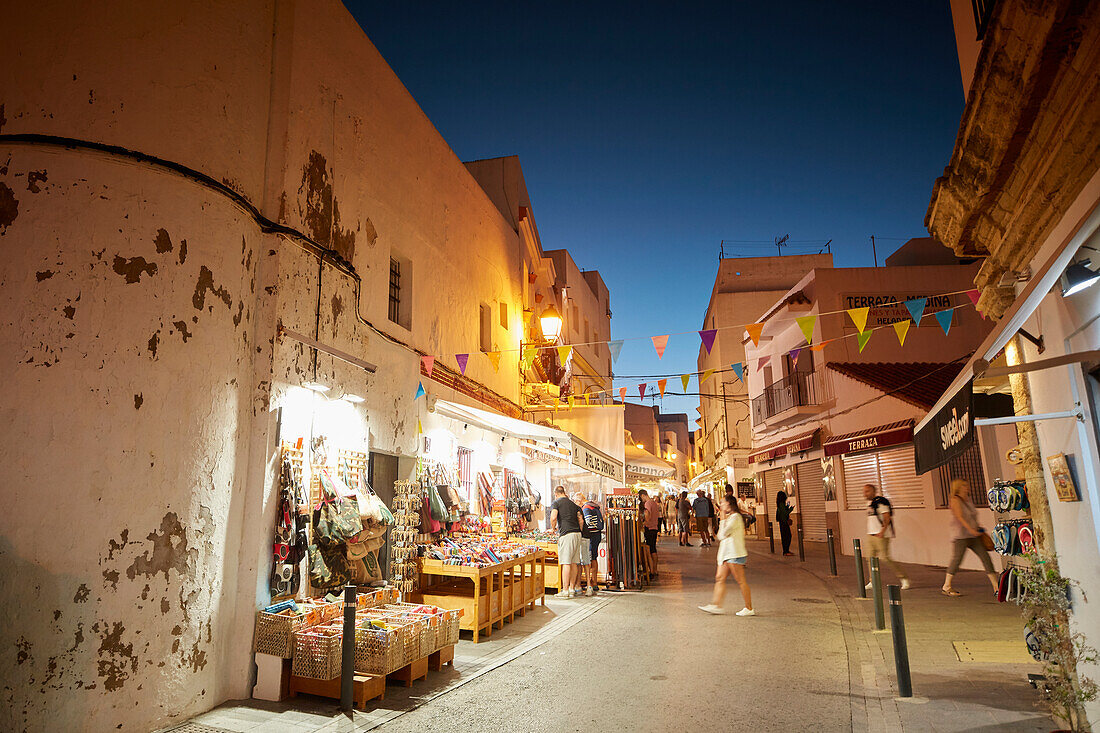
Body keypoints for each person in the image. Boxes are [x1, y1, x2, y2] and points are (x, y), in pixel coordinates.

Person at [699, 494, 755, 616]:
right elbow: (720, 536)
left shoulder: (735, 518)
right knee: (719, 578)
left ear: (729, 504)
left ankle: (749, 608)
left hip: (734, 554)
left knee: (741, 581)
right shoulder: (730, 518)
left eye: (722, 502)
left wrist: (723, 519)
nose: (721, 505)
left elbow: (722, 534)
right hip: (727, 554)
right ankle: (716, 605)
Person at [942, 479, 998, 596]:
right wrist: (971, 529)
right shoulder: (955, 500)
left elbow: (972, 516)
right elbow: (960, 517)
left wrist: (978, 528)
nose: (967, 488)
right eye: (964, 486)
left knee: (985, 557)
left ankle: (996, 587)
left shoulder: (968, 499)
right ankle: (946, 586)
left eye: (967, 486)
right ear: (958, 488)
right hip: (961, 536)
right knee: (957, 560)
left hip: (974, 535)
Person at [864, 484, 910, 590]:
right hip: (871, 535)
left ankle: (903, 578)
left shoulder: (881, 502)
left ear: (873, 492)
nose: (865, 493)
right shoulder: (868, 503)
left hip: (881, 535)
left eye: (867, 491)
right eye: (864, 491)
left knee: (885, 558)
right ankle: (873, 581)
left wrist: (882, 532)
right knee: (870, 558)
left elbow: (887, 517)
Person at [549, 486, 584, 598]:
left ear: (556, 494)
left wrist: (553, 528)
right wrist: (579, 531)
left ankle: (565, 591)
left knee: (566, 562)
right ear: (564, 492)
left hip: (567, 534)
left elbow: (553, 517)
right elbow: (581, 520)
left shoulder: (556, 503)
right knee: (574, 563)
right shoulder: (574, 504)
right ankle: (572, 589)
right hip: (577, 533)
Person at [580, 493, 604, 596]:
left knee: (589, 559)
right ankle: (594, 581)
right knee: (594, 557)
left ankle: (591, 582)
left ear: (579, 500)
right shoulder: (594, 506)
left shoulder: (586, 508)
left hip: (591, 535)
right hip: (597, 534)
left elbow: (588, 522)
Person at [639, 489, 661, 574]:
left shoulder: (648, 503)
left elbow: (648, 517)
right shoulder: (654, 503)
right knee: (653, 549)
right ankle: (655, 569)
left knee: (650, 550)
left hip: (649, 528)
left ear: (643, 495)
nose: (642, 500)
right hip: (654, 527)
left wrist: (642, 522)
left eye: (641, 498)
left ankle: (652, 570)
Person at [775, 490, 794, 556]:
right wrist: (790, 509)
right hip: (784, 522)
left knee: (785, 536)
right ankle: (786, 551)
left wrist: (787, 507)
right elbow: (785, 513)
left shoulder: (780, 504)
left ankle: (786, 551)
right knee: (787, 536)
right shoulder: (781, 504)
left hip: (782, 522)